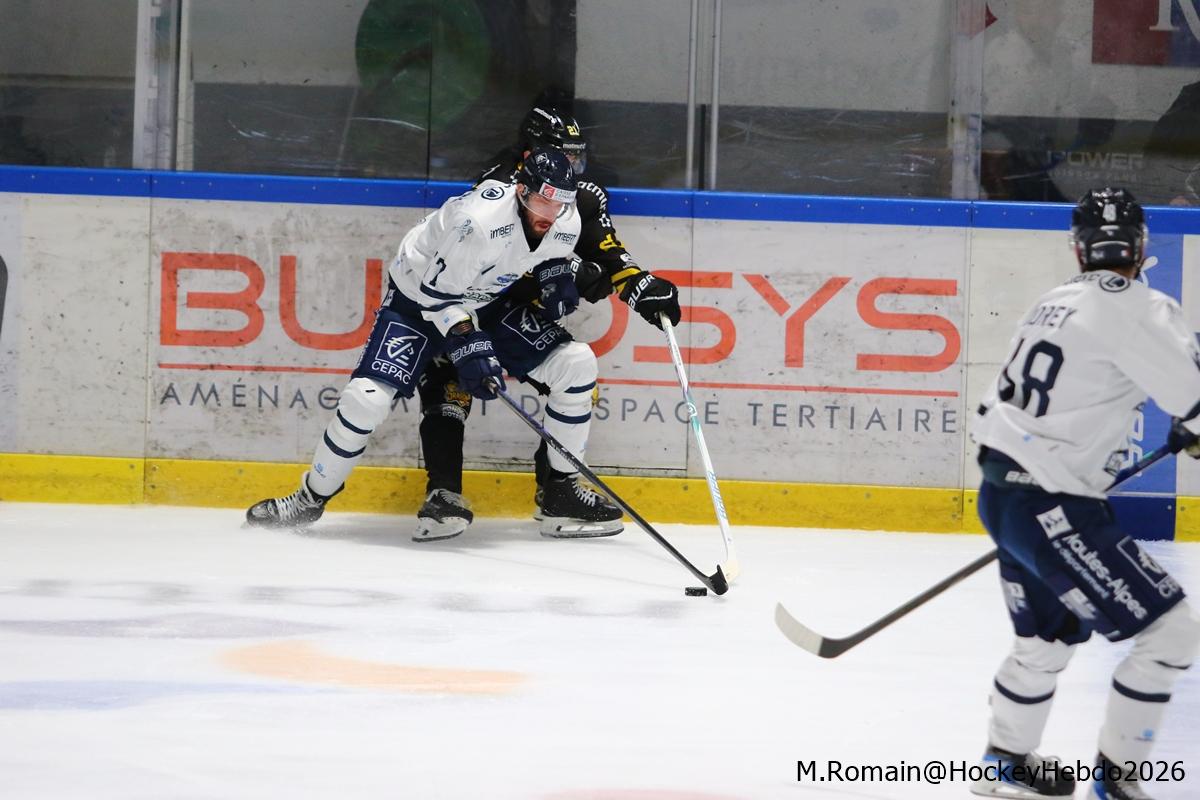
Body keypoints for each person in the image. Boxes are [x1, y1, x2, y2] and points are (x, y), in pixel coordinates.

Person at [246, 147, 622, 535]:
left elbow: (545, 252)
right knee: (365, 400)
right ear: (521, 191)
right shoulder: (478, 222)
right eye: (544, 201)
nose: (552, 212)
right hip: (416, 302)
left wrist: (554, 274)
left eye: (560, 202)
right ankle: (307, 500)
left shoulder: (565, 216)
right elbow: (437, 296)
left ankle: (560, 493)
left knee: (576, 364)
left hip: (486, 301)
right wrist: (468, 343)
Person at [968, 188, 1200, 800]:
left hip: (1002, 492)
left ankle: (1004, 762)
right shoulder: (1142, 307)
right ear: (1141, 246)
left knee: (1043, 641)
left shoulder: (1052, 303)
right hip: (1053, 503)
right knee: (1171, 634)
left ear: (1078, 248)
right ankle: (1117, 781)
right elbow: (1195, 400)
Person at [413, 104, 681, 542]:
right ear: (531, 154)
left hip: (509, 307)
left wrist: (637, 283)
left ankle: (558, 491)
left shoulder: (582, 194)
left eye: (577, 157)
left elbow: (604, 248)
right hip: (467, 301)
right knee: (450, 376)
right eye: (564, 155)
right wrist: (563, 274)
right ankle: (443, 494)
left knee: (575, 367)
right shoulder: (497, 190)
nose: (571, 167)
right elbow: (490, 263)